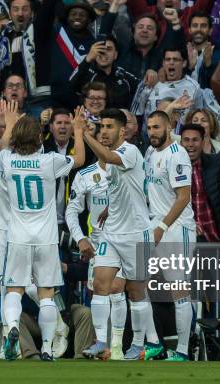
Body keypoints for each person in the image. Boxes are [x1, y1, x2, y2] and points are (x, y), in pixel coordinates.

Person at [0, 105, 85, 361]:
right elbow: (79, 159)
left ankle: (12, 327)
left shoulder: (8, 160)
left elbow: (3, 146)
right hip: (46, 237)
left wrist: (10, 123)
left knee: (14, 289)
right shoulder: (50, 161)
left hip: (18, 236)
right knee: (47, 293)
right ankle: (47, 348)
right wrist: (78, 131)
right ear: (39, 138)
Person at [80, 108, 152, 360]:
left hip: (136, 233)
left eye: (109, 127)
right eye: (102, 127)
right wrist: (110, 209)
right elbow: (127, 187)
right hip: (111, 233)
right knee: (101, 283)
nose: (104, 132)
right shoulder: (113, 159)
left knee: (135, 291)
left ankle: (139, 345)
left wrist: (85, 136)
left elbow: (109, 157)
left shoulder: (129, 151)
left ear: (123, 131)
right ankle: (101, 341)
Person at [65, 126, 126, 359]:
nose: (105, 138)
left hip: (126, 239)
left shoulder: (129, 167)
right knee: (100, 293)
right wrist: (80, 238)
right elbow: (72, 210)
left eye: (110, 131)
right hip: (100, 243)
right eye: (101, 134)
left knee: (117, 289)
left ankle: (118, 346)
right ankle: (105, 346)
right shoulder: (85, 175)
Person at [143, 111, 195, 361]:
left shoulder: (178, 155)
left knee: (178, 290)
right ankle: (154, 342)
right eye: (149, 127)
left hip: (176, 229)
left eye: (156, 127)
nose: (152, 132)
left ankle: (183, 350)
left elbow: (183, 197)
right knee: (135, 283)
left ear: (169, 127)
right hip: (154, 225)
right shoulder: (151, 153)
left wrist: (162, 228)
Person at [69, 34, 140, 110]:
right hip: (90, 120)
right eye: (100, 49)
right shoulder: (85, 72)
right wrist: (88, 58)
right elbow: (71, 86)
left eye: (109, 49)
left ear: (115, 54)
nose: (104, 53)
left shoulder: (122, 75)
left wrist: (151, 73)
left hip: (118, 120)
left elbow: (142, 87)